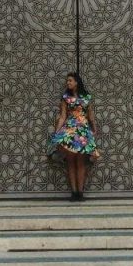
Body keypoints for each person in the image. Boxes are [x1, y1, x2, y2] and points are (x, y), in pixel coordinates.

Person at [48, 71, 101, 201]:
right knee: (71, 162)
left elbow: (90, 114)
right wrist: (57, 133)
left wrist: (94, 127)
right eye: (67, 81)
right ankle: (74, 192)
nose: (68, 83)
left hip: (83, 131)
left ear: (77, 82)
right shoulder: (66, 98)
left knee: (81, 162)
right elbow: (62, 116)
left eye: (70, 80)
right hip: (70, 131)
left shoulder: (86, 97)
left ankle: (80, 192)